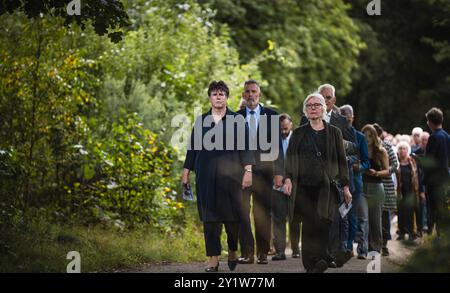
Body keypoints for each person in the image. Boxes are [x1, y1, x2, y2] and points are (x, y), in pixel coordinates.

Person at [181, 81, 255, 272]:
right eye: (214, 94)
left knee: (232, 219)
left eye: (221, 93)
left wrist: (248, 171)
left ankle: (232, 249)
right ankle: (213, 259)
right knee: (210, 219)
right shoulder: (201, 121)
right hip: (206, 177)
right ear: (210, 97)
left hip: (232, 178)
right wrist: (186, 172)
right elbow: (193, 149)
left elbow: (246, 147)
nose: (218, 96)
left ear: (227, 97)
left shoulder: (237, 121)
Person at [282, 93, 351, 273]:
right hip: (303, 187)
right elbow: (290, 158)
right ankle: (310, 264)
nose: (313, 108)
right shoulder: (298, 133)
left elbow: (341, 162)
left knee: (323, 223)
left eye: (317, 105)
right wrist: (288, 178)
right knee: (308, 226)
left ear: (324, 109)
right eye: (309, 105)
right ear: (305, 110)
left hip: (325, 188)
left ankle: (320, 258)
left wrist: (345, 186)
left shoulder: (334, 132)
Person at [237, 80, 283, 265]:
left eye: (254, 91)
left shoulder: (272, 116)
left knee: (262, 213)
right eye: (247, 91)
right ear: (243, 95)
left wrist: (279, 172)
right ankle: (247, 252)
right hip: (241, 173)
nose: (250, 95)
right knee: (241, 212)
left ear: (259, 94)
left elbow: (277, 146)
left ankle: (262, 252)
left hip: (265, 173)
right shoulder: (236, 117)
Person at [339, 105, 370, 260]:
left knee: (352, 216)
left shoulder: (360, 137)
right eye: (343, 114)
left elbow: (366, 162)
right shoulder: (334, 133)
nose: (346, 117)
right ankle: (341, 245)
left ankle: (350, 245)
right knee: (340, 216)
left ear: (353, 117)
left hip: (355, 183)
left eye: (348, 114)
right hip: (337, 182)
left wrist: (358, 166)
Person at [361, 124, 389, 257]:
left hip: (376, 187)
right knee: (363, 219)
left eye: (370, 135)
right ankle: (363, 248)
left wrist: (376, 173)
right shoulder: (360, 150)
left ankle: (375, 249)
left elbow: (387, 171)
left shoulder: (381, 151)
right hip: (362, 186)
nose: (367, 138)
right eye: (365, 135)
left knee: (375, 220)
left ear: (375, 136)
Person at [271, 113, 294, 261]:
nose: (283, 132)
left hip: (295, 185)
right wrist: (275, 174)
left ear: (291, 125)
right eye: (280, 130)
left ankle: (298, 249)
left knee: (296, 218)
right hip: (277, 186)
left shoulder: (297, 140)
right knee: (278, 218)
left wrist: (288, 178)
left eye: (285, 129)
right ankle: (280, 251)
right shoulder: (272, 142)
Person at [373, 123, 399, 256]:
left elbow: (395, 165)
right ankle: (374, 245)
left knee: (384, 216)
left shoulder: (388, 147)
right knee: (372, 216)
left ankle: (384, 244)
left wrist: (385, 171)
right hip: (370, 185)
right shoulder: (367, 147)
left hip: (386, 185)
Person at [423, 107, 450, 237]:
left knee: (433, 210)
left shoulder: (433, 137)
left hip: (434, 181)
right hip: (445, 179)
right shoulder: (447, 136)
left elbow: (429, 162)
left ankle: (435, 238)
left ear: (430, 122)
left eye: (427, 121)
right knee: (442, 208)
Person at [396, 141, 422, 241]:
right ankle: (401, 232)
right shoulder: (396, 162)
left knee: (411, 212)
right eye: (400, 148)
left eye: (404, 148)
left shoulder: (413, 161)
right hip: (400, 191)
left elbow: (418, 176)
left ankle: (412, 233)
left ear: (408, 150)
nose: (402, 150)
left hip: (411, 190)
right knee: (401, 212)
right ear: (398, 151)